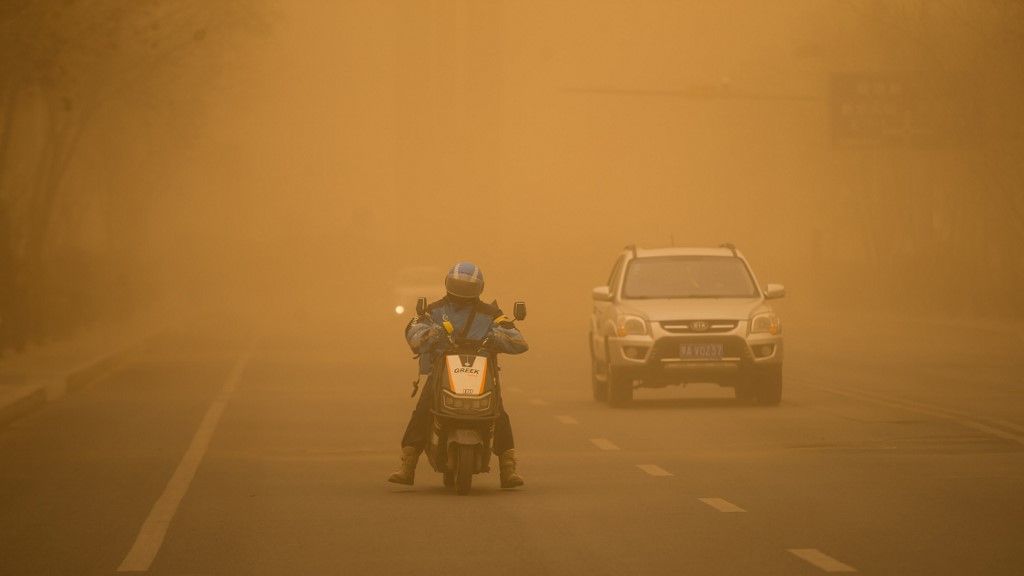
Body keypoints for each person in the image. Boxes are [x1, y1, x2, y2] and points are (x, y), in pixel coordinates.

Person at [388, 262, 528, 488]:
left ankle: (508, 468)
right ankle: (408, 465)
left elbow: (519, 340)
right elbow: (413, 331)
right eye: (458, 285)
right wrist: (430, 334)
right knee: (424, 410)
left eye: (467, 286)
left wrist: (496, 338)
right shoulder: (433, 311)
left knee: (497, 412)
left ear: (479, 288)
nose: (462, 291)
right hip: (442, 373)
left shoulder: (492, 314)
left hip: (482, 375)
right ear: (448, 284)